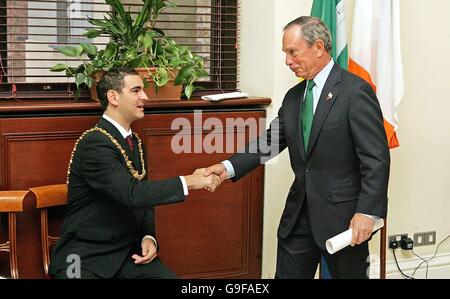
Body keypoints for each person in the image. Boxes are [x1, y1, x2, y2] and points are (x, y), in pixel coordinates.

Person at [204, 16, 390, 279]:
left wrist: (366, 213)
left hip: (344, 219)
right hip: (298, 218)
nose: (287, 61)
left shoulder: (354, 91)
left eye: (293, 52)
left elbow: (376, 159)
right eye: (285, 53)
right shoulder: (294, 97)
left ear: (318, 47)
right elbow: (269, 143)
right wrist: (226, 168)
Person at [49, 68, 220, 279]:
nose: (145, 97)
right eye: (136, 90)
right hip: (83, 259)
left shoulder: (135, 143)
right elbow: (132, 193)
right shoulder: (94, 143)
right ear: (113, 97)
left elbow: (144, 201)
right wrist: (190, 182)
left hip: (128, 256)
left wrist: (149, 237)